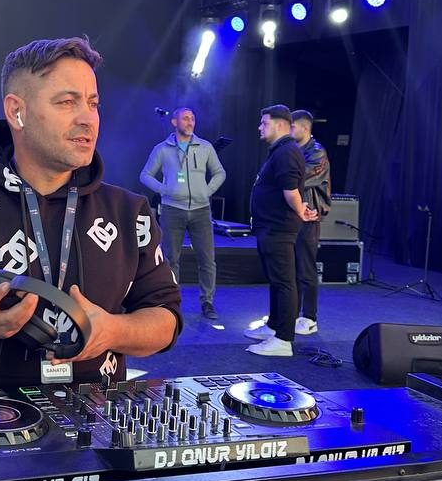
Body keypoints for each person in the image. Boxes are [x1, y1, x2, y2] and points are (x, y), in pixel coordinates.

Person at [0, 37, 182, 391]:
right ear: (16, 112)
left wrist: (111, 330)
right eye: (67, 102)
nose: (88, 119)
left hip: (94, 419)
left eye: (93, 103)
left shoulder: (129, 212)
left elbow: (166, 318)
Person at [244, 104, 318, 357]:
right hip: (270, 227)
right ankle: (274, 326)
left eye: (264, 123)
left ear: (279, 125)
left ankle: (283, 339)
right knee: (277, 281)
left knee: (285, 282)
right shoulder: (280, 150)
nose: (260, 127)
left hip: (279, 228)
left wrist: (300, 210)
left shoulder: (287, 152)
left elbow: (291, 190)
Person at [139, 108, 226, 320]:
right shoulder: (162, 149)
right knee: (170, 259)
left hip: (201, 210)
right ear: (174, 122)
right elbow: (145, 175)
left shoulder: (205, 147)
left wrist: (207, 191)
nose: (190, 122)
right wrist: (164, 190)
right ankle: (172, 301)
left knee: (207, 259)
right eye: (185, 118)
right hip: (172, 210)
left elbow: (220, 173)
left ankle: (207, 302)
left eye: (192, 118)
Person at [290, 109, 331, 334]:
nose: (288, 131)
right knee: (293, 268)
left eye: (292, 127)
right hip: (293, 215)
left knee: (306, 267)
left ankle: (309, 317)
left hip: (309, 215)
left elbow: (298, 177)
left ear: (305, 128)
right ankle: (292, 314)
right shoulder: (294, 150)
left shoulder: (316, 152)